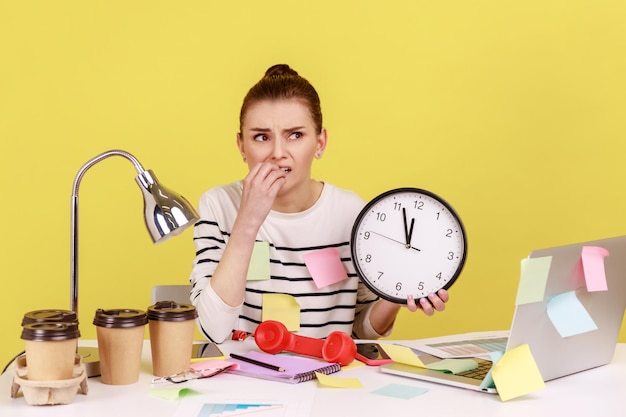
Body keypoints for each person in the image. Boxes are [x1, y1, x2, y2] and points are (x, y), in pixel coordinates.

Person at [189, 64, 448, 343]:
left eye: (295, 135)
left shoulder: (351, 214)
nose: (278, 153)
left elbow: (360, 330)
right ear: (241, 146)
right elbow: (213, 330)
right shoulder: (218, 205)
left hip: (327, 378)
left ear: (320, 142)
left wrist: (399, 294)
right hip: (244, 382)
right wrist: (248, 222)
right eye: (261, 137)